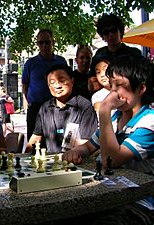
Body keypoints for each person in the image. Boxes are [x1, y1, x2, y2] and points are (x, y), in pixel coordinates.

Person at [62, 55, 154, 225]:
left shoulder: (150, 122)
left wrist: (104, 110)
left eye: (119, 85)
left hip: (140, 203)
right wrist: (75, 151)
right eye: (111, 85)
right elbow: (90, 145)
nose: (112, 92)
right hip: (109, 195)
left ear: (140, 89)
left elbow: (110, 161)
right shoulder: (115, 118)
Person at [25, 64, 98, 153]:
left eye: (62, 80)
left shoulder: (84, 106)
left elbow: (87, 142)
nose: (57, 86)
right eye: (52, 83)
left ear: (72, 81)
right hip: (51, 162)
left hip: (76, 161)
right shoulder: (45, 108)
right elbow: (36, 136)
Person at [22, 28, 67, 141]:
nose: (44, 45)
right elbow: (25, 86)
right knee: (34, 144)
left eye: (47, 42)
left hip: (56, 108)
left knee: (56, 141)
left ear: (53, 43)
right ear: (37, 44)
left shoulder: (61, 62)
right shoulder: (30, 63)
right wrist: (28, 106)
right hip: (35, 109)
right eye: (41, 43)